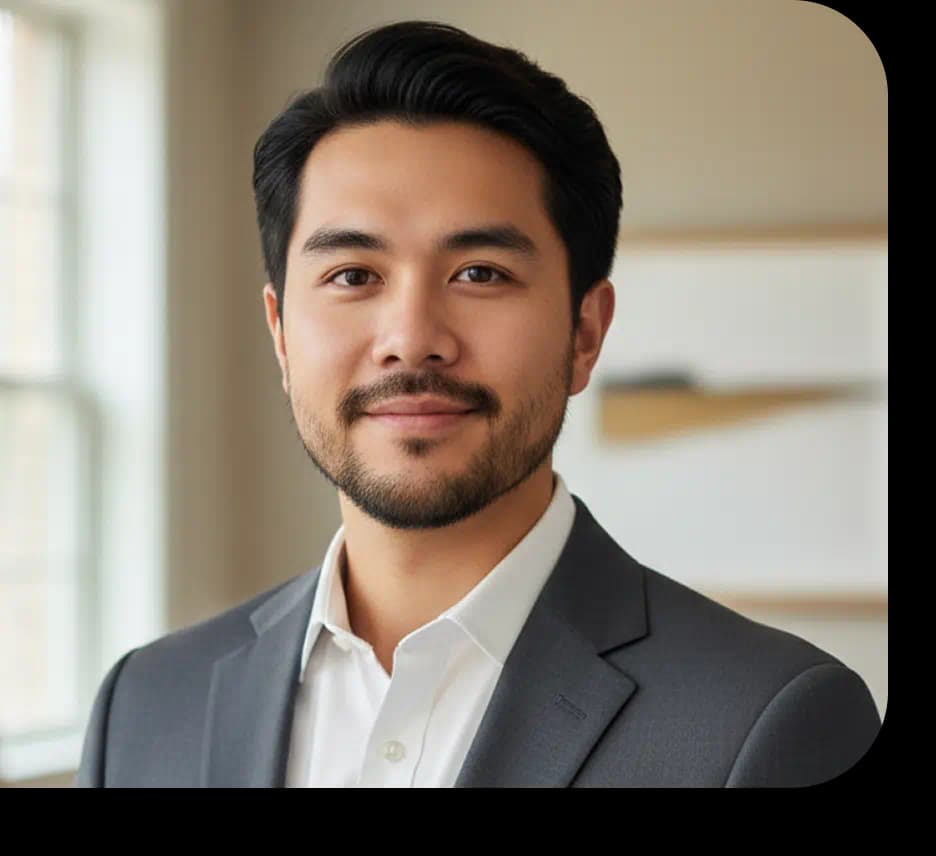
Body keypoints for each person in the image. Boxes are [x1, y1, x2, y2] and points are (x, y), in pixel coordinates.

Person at [76, 19, 881, 788]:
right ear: (281, 332)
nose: (411, 339)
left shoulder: (770, 723)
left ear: (585, 333)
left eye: (480, 274)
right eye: (353, 275)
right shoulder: (146, 705)